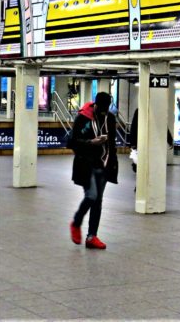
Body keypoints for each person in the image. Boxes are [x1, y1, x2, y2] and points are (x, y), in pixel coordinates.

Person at [68, 92, 118, 250]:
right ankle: (76, 223)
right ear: (95, 105)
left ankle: (92, 236)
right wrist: (91, 142)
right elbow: (71, 141)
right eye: (101, 109)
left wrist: (113, 164)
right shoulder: (83, 118)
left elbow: (111, 144)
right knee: (91, 196)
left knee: (98, 201)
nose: (103, 112)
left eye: (106, 109)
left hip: (103, 164)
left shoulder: (110, 118)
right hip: (86, 164)